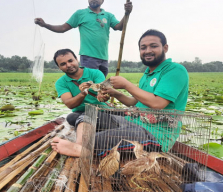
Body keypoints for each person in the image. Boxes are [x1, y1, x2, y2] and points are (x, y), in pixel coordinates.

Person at [51, 29, 189, 157]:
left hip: (155, 135)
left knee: (98, 139)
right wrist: (115, 93)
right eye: (143, 47)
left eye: (153, 46)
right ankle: (81, 145)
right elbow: (134, 102)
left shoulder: (174, 70)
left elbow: (157, 103)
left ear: (165, 48)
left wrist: (126, 84)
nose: (148, 51)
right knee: (88, 115)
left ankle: (80, 149)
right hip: (133, 122)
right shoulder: (147, 74)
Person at [34, 0, 133, 77]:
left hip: (104, 57)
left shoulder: (108, 15)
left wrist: (126, 13)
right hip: (88, 57)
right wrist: (45, 25)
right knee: (90, 83)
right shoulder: (80, 14)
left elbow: (119, 27)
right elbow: (63, 28)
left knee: (101, 85)